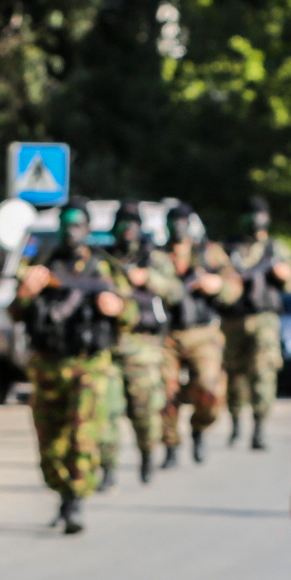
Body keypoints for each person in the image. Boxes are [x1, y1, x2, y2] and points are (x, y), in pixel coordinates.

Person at [12, 199, 132, 533]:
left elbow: (133, 311)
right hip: (47, 365)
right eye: (67, 223)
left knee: (83, 435)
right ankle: (62, 489)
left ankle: (75, 500)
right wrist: (25, 293)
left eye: (79, 224)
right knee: (50, 444)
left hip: (89, 364)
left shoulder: (103, 268)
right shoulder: (41, 264)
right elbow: (16, 312)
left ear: (88, 229)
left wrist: (117, 308)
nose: (72, 230)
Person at [109, 202, 182, 484]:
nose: (128, 229)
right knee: (108, 412)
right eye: (123, 223)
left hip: (144, 346)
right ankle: (108, 467)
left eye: (133, 223)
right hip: (109, 346)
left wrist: (148, 278)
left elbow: (175, 292)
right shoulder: (105, 260)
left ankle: (148, 454)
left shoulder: (154, 260)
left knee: (144, 412)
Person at [160, 203, 233, 464]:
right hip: (166, 335)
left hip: (203, 333)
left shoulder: (209, 253)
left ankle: (199, 429)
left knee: (209, 390)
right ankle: (170, 444)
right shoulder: (158, 255)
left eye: (183, 221)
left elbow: (233, 286)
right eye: (173, 221)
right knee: (164, 393)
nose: (178, 227)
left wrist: (218, 285)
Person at [222, 196, 291, 450]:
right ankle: (234, 424)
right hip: (232, 320)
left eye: (259, 214)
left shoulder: (275, 249)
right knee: (234, 375)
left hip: (264, 319)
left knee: (263, 373)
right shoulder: (230, 248)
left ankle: (259, 428)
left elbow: (290, 283)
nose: (254, 219)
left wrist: (282, 274)